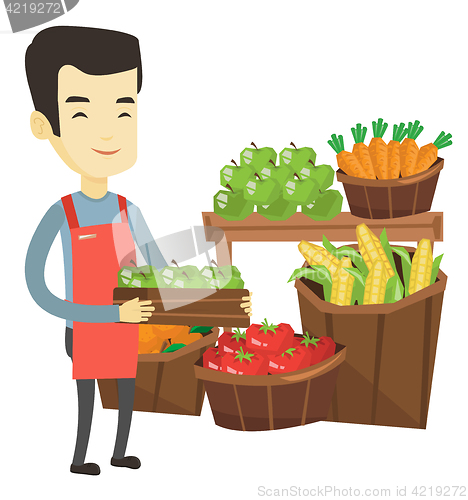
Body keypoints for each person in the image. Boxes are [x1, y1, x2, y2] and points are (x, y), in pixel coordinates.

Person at [24, 26, 253, 476]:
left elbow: (160, 270)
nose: (108, 130)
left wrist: (222, 300)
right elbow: (38, 289)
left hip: (133, 325)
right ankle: (79, 457)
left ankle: (119, 451)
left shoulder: (129, 210)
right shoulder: (62, 213)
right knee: (89, 394)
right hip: (87, 328)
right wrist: (105, 316)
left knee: (127, 390)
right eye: (83, 114)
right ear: (44, 126)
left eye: (123, 110)